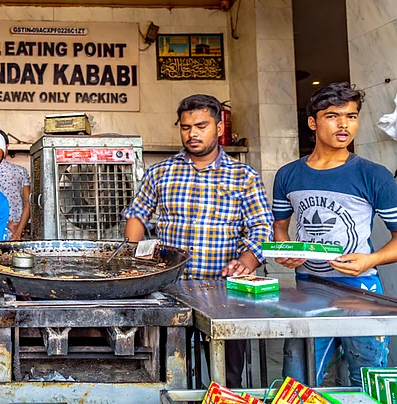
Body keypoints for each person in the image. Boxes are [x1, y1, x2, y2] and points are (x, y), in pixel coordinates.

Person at [122, 94, 273, 388]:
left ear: (218, 128)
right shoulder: (160, 172)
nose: (192, 133)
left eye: (201, 126)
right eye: (186, 127)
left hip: (224, 294)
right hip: (169, 291)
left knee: (227, 378)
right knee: (169, 374)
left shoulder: (244, 176)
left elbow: (261, 228)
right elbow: (137, 216)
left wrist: (246, 261)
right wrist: (131, 259)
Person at [273, 82, 397, 387]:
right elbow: (279, 228)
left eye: (351, 116)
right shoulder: (288, 175)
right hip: (308, 291)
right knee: (297, 384)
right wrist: (284, 250)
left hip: (361, 291)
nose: (344, 125)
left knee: (368, 384)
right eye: (332, 116)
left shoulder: (373, 174)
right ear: (313, 122)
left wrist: (370, 260)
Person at [0, 129, 31, 241]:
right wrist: (17, 234)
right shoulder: (21, 171)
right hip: (17, 233)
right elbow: (29, 203)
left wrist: (7, 223)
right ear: (6, 147)